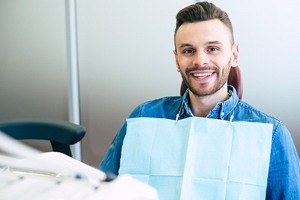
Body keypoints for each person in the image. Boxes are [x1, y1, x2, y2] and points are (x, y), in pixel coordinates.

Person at [100, 1, 300, 199]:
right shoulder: (143, 118)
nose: (200, 61)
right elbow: (102, 189)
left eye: (212, 49)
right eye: (188, 51)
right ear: (176, 59)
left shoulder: (270, 134)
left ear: (234, 55)